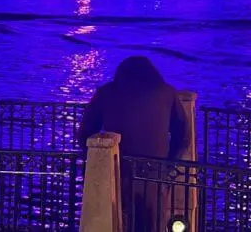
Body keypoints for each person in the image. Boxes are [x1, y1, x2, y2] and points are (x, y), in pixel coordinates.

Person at [78, 56, 188, 231]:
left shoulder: (106, 92)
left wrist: (95, 162)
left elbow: (85, 132)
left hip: (118, 170)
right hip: (154, 172)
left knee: (118, 220)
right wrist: (168, 164)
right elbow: (182, 135)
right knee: (151, 222)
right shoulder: (167, 93)